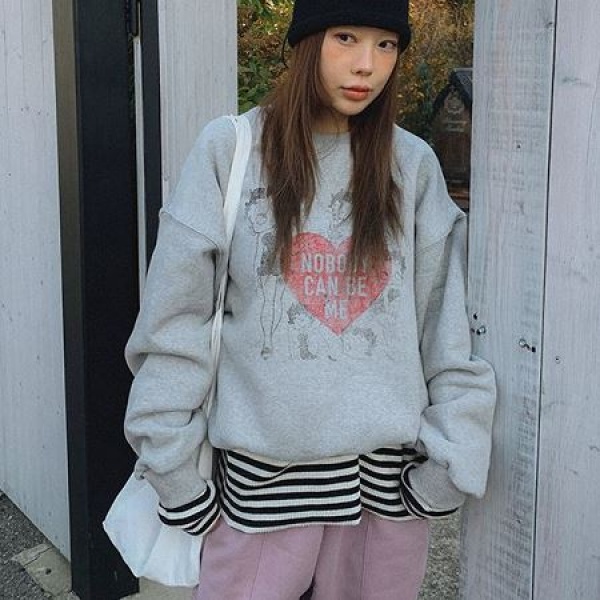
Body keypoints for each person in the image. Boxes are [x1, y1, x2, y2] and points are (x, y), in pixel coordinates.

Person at [123, 0, 497, 598]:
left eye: (386, 44)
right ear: (306, 42)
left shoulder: (411, 165)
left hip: (387, 492)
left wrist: (449, 464)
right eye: (345, 37)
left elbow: (443, 323)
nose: (366, 65)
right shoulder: (233, 151)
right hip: (261, 493)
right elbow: (175, 321)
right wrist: (172, 468)